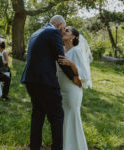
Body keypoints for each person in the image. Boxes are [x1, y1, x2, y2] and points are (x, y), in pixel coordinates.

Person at [21, 15, 81, 150]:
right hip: (45, 82)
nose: (63, 32)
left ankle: (34, 147)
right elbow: (61, 59)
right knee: (57, 117)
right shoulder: (53, 32)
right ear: (59, 25)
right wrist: (73, 77)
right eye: (64, 28)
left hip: (31, 80)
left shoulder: (36, 33)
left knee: (38, 116)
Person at [57, 26, 93, 150]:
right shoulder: (60, 50)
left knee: (72, 116)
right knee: (63, 119)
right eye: (64, 30)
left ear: (73, 36)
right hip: (61, 91)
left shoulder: (76, 51)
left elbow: (83, 73)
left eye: (67, 31)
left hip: (72, 91)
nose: (64, 32)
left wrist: (71, 64)